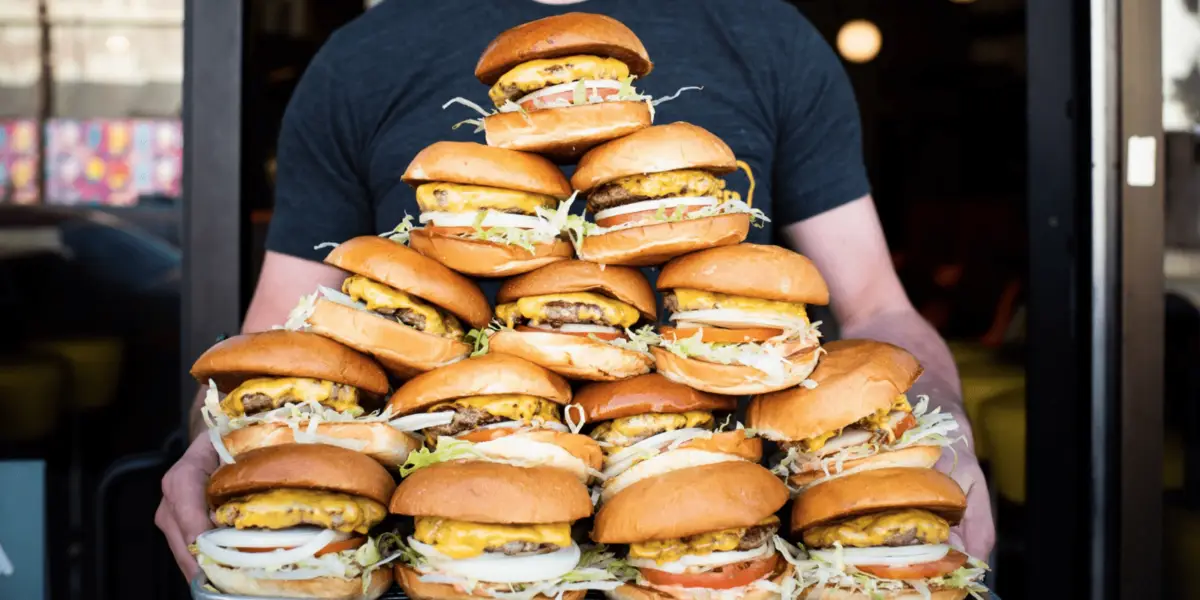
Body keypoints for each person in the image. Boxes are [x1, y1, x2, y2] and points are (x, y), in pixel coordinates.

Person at [156, 0, 996, 580]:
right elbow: (277, 333)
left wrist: (944, 423)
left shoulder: (766, 30)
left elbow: (876, 304)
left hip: (734, 527)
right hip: (450, 534)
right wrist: (222, 443)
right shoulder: (364, 53)